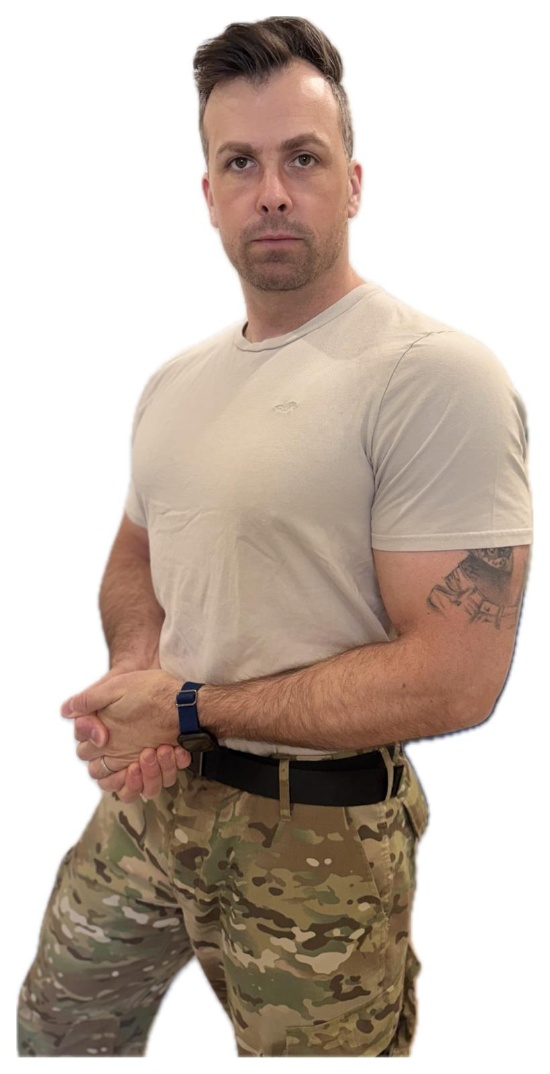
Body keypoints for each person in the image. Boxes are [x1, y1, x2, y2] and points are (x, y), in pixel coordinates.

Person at [17, 15, 532, 1058]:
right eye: (240, 163)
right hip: (153, 811)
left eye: (303, 158)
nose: (272, 192)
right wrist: (139, 675)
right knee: (60, 1029)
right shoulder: (176, 383)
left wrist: (189, 705)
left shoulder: (432, 377)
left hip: (320, 843)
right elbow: (137, 556)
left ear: (353, 181)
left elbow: (457, 678)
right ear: (208, 193)